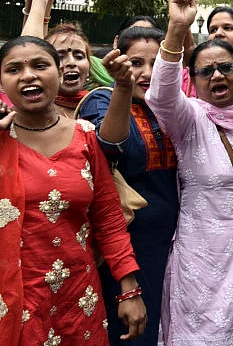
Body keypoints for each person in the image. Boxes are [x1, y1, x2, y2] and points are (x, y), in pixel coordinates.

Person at [0, 36, 147, 346]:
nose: (28, 75)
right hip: (9, 300)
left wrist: (129, 289)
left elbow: (109, 220)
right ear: (0, 82)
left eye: (39, 65)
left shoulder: (85, 138)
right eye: (14, 69)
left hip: (78, 301)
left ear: (59, 73)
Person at [146, 0, 233, 345]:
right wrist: (176, 29)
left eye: (226, 67)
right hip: (204, 262)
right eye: (205, 71)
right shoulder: (189, 118)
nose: (216, 76)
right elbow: (160, 96)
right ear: (194, 78)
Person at [77, 25, 179, 345]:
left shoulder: (173, 108)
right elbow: (112, 142)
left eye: (156, 64)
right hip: (123, 242)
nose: (147, 73)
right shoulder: (102, 100)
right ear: (117, 60)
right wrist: (122, 87)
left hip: (172, 243)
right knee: (128, 332)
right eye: (136, 63)